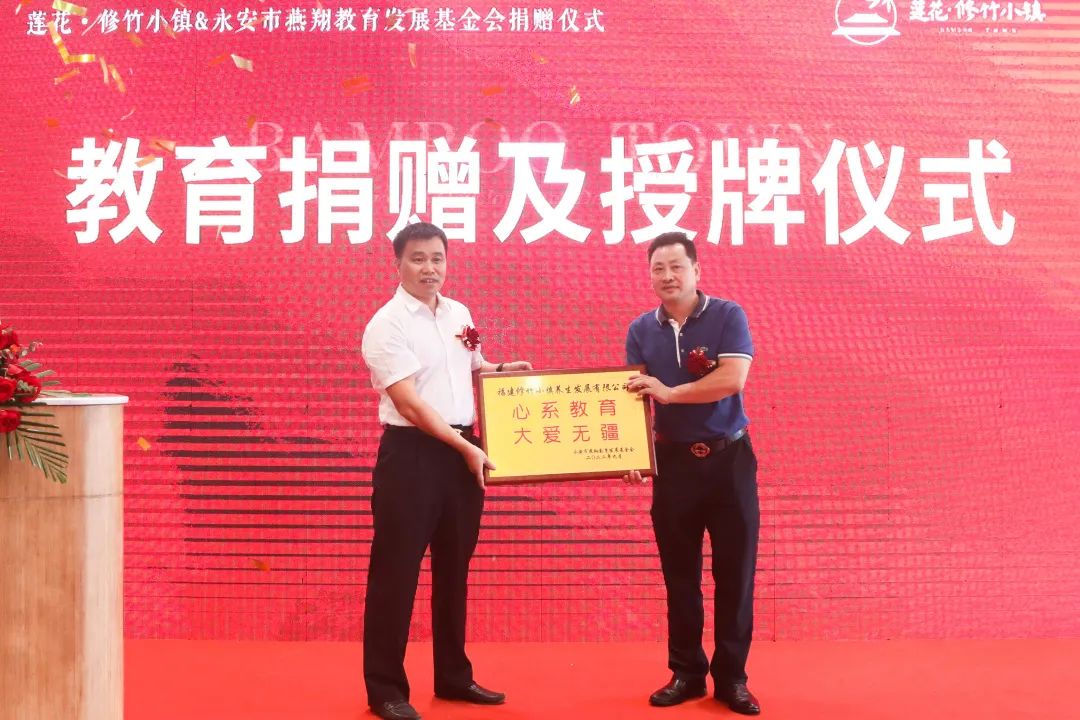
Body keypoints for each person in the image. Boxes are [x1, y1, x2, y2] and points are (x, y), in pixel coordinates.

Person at [360, 222, 532, 720]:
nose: (429, 268)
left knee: (454, 569)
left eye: (437, 258)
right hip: (412, 456)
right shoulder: (386, 324)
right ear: (398, 263)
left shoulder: (458, 313)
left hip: (462, 453)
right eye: (418, 258)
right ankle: (386, 689)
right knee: (396, 574)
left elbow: (471, 366)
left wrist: (502, 372)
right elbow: (410, 404)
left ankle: (454, 676)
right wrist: (463, 447)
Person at [624, 232, 761, 715]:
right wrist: (631, 451)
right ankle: (686, 673)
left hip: (729, 462)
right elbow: (634, 398)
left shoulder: (728, 315)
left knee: (735, 573)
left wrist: (670, 393)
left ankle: (732, 679)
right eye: (658, 268)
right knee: (679, 576)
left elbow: (731, 379)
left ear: (696, 270)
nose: (667, 276)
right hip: (674, 465)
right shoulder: (641, 329)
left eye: (676, 266)